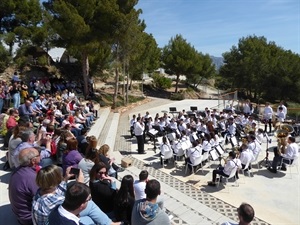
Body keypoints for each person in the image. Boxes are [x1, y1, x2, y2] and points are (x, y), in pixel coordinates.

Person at [33, 165, 118, 225]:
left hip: (52, 219)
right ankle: (110, 223)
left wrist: (66, 177)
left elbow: (57, 191)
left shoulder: (40, 192)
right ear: (56, 180)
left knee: (89, 214)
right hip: (59, 220)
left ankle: (109, 223)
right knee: (90, 209)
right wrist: (79, 184)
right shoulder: (55, 201)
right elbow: (75, 201)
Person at [47, 182, 121, 225]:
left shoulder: (55, 210)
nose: (90, 201)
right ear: (81, 205)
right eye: (88, 199)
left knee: (91, 207)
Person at [9, 148, 40, 225]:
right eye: (38, 155)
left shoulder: (18, 171)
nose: (41, 156)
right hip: (28, 219)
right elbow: (43, 198)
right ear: (33, 161)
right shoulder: (31, 178)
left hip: (19, 214)